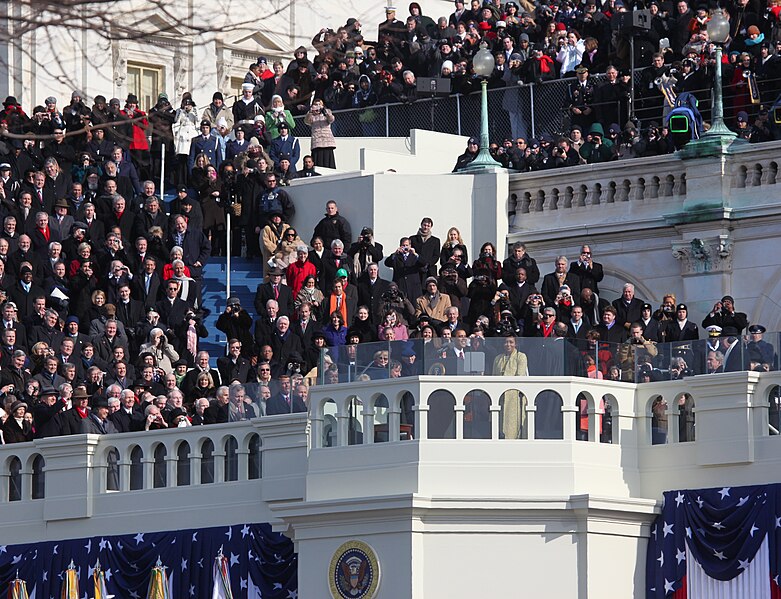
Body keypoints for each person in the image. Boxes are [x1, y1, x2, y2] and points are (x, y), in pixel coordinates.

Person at [492, 335, 528, 439]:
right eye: (506, 342)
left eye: (511, 342)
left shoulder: (521, 356)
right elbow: (493, 376)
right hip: (499, 396)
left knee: (512, 427)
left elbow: (520, 375)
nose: (508, 345)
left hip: (515, 396)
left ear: (515, 344)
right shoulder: (497, 358)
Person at [304, 98, 336, 169]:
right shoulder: (311, 114)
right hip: (317, 141)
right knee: (318, 162)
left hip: (327, 141)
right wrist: (311, 112)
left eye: (319, 104)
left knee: (328, 162)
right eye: (316, 104)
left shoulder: (327, 111)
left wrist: (324, 111)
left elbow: (331, 119)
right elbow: (306, 121)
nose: (318, 106)